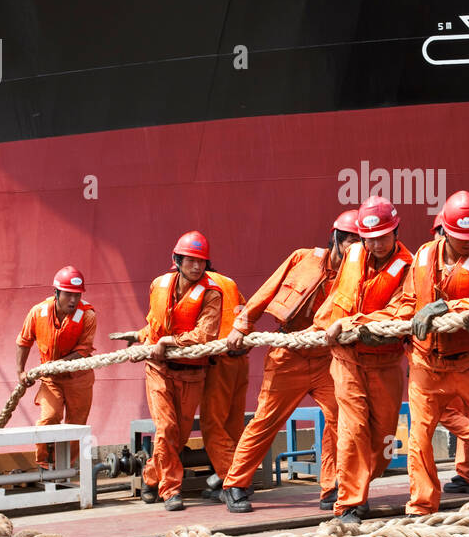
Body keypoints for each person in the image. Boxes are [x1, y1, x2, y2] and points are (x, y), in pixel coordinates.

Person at [366, 191, 469, 515]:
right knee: (419, 438)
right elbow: (408, 301)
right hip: (425, 364)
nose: (468, 243)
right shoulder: (424, 256)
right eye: (461, 237)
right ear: (446, 230)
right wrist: (371, 323)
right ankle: (421, 506)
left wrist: (444, 306)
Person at [222, 211, 361, 514]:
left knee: (339, 417)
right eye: (349, 239)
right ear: (336, 237)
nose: (353, 246)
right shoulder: (302, 258)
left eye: (359, 241)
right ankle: (235, 484)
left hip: (327, 356)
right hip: (288, 353)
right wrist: (241, 325)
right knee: (265, 420)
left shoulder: (359, 273)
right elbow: (268, 290)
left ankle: (332, 487)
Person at [314, 196, 413, 523]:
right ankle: (350, 503)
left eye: (382, 237)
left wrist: (353, 323)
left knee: (384, 438)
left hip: (384, 362)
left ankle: (357, 479)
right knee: (353, 428)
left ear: (396, 231)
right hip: (346, 359)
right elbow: (338, 296)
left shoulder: (409, 265)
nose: (375, 245)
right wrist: (324, 323)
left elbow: (402, 311)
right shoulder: (353, 253)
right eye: (369, 238)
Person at [138, 231, 222, 511]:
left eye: (201, 261)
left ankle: (150, 478)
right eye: (190, 260)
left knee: (177, 436)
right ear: (177, 259)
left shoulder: (211, 294)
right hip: (159, 369)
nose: (196, 267)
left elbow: (206, 335)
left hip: (192, 373)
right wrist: (143, 339)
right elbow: (154, 322)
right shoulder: (158, 285)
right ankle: (170, 490)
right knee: (166, 428)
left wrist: (168, 341)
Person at [15, 266, 96, 470]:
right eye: (68, 294)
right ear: (56, 293)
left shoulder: (88, 316)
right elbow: (24, 342)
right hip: (51, 378)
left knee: (76, 424)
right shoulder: (37, 312)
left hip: (79, 379)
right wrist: (20, 371)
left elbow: (84, 350)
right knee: (49, 417)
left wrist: (58, 364)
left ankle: (65, 468)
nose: (73, 301)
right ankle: (44, 464)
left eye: (77, 295)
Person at [429, 210, 469, 495]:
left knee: (448, 411)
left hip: (465, 350)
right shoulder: (430, 262)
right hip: (440, 348)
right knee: (463, 410)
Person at [200, 269, 248, 499]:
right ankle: (230, 476)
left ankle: (234, 479)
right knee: (233, 425)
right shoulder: (230, 283)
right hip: (240, 359)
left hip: (218, 361)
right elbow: (246, 316)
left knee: (213, 425)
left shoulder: (201, 287)